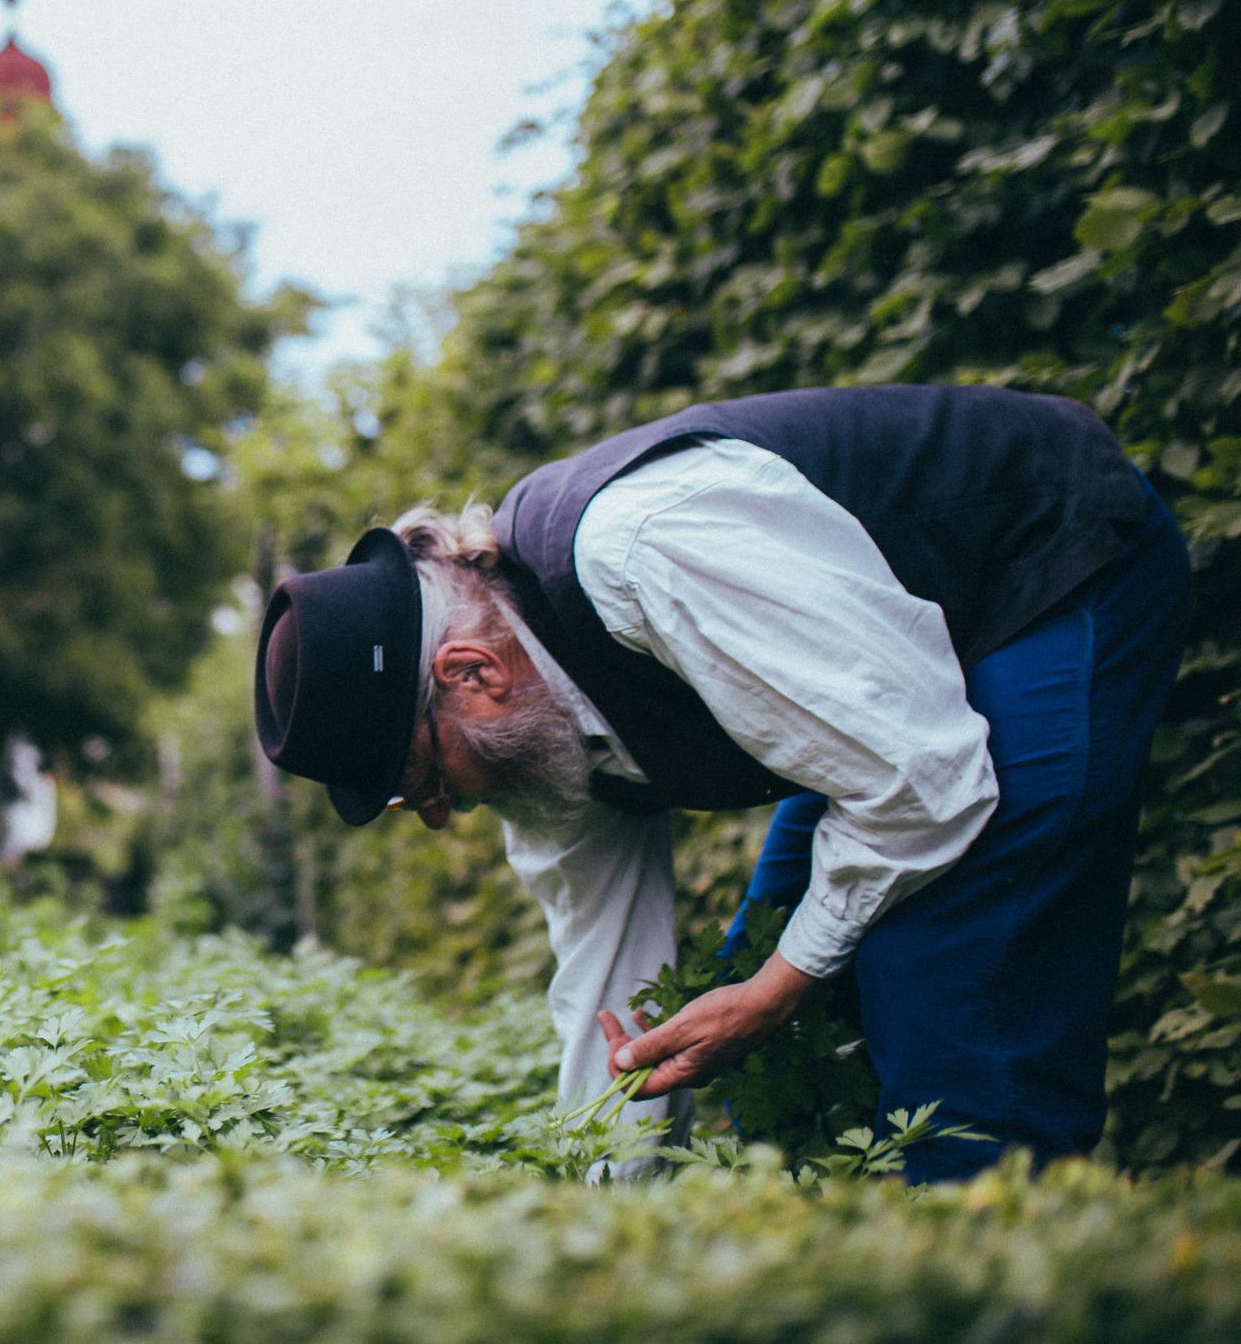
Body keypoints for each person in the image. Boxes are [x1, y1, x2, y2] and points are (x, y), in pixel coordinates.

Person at [252, 385, 1189, 1181]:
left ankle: (1005, 1264)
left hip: (1042, 563)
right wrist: (609, 1222)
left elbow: (920, 771)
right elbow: (607, 990)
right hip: (887, 691)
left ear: (470, 676)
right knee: (740, 981)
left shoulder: (648, 551)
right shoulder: (531, 745)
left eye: (420, 778)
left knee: (942, 968)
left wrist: (784, 986)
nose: (437, 814)